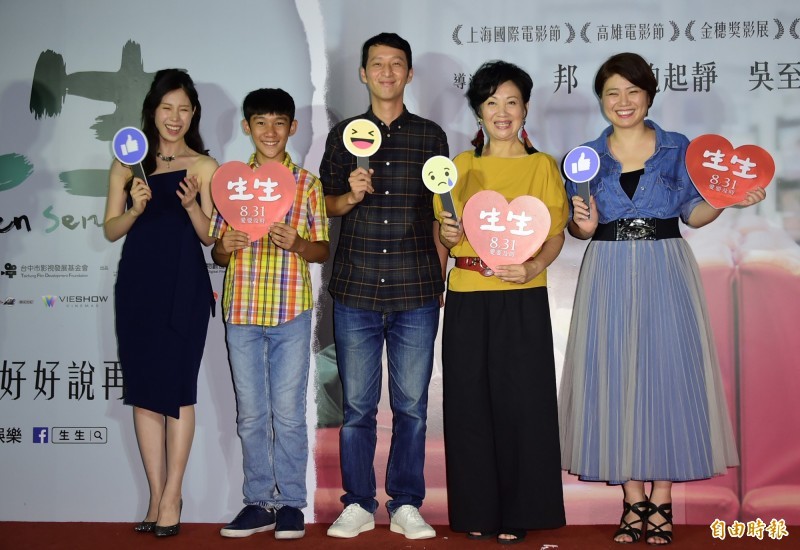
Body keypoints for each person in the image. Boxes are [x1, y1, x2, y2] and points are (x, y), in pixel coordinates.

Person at [558, 52, 767, 545]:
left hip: (665, 265)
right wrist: (582, 224)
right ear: (601, 99)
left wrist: (726, 199)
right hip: (607, 267)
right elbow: (579, 227)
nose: (623, 101)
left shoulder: (679, 149)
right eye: (612, 92)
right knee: (614, 376)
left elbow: (693, 214)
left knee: (666, 375)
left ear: (649, 96)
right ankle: (632, 499)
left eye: (632, 91)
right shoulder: (585, 157)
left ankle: (663, 498)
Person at [320, 32, 449, 540]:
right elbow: (325, 204)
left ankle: (405, 504)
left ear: (409, 74)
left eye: (397, 64)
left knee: (412, 407)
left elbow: (438, 211)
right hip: (355, 289)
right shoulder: (344, 135)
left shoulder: (430, 136)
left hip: (416, 289)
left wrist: (441, 273)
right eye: (378, 64)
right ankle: (357, 502)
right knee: (357, 409)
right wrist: (348, 197)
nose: (387, 72)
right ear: (363, 73)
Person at [436, 60, 568, 545]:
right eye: (492, 102)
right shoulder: (458, 167)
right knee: (468, 405)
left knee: (523, 406)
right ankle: (477, 509)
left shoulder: (542, 166)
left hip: (523, 296)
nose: (503, 111)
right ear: (478, 111)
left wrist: (533, 268)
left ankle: (520, 511)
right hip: (468, 296)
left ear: (526, 108)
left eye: (512, 101)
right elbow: (445, 233)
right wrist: (447, 234)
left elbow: (554, 234)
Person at [103, 68, 218, 537]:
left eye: (184, 109)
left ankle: (174, 495)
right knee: (145, 391)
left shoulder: (204, 166)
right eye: (167, 108)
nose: (175, 117)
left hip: (184, 288)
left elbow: (211, 237)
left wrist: (191, 206)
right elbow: (110, 229)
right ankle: (155, 496)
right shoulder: (127, 163)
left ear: (194, 114)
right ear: (152, 111)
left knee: (178, 390)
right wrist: (135, 208)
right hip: (138, 286)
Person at [212, 88, 329, 541]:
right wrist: (224, 247)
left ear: (292, 127)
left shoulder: (307, 185)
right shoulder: (229, 182)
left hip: (290, 311)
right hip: (241, 310)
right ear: (247, 127)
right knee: (251, 415)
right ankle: (259, 501)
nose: (270, 131)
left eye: (279, 122)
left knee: (288, 413)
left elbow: (321, 249)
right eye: (260, 122)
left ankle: (291, 504)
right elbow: (219, 254)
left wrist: (298, 244)